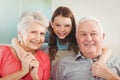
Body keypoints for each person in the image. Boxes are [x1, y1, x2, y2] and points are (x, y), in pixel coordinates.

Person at [52, 16, 120, 80]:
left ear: (102, 37)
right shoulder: (62, 64)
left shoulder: (117, 62)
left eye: (93, 34)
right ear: (77, 39)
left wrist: (110, 76)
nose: (89, 39)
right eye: (83, 34)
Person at [0, 11, 50, 80]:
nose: (38, 38)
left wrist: (35, 76)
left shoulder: (44, 58)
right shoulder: (2, 52)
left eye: (42, 33)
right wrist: (23, 72)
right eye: (33, 32)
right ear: (20, 34)